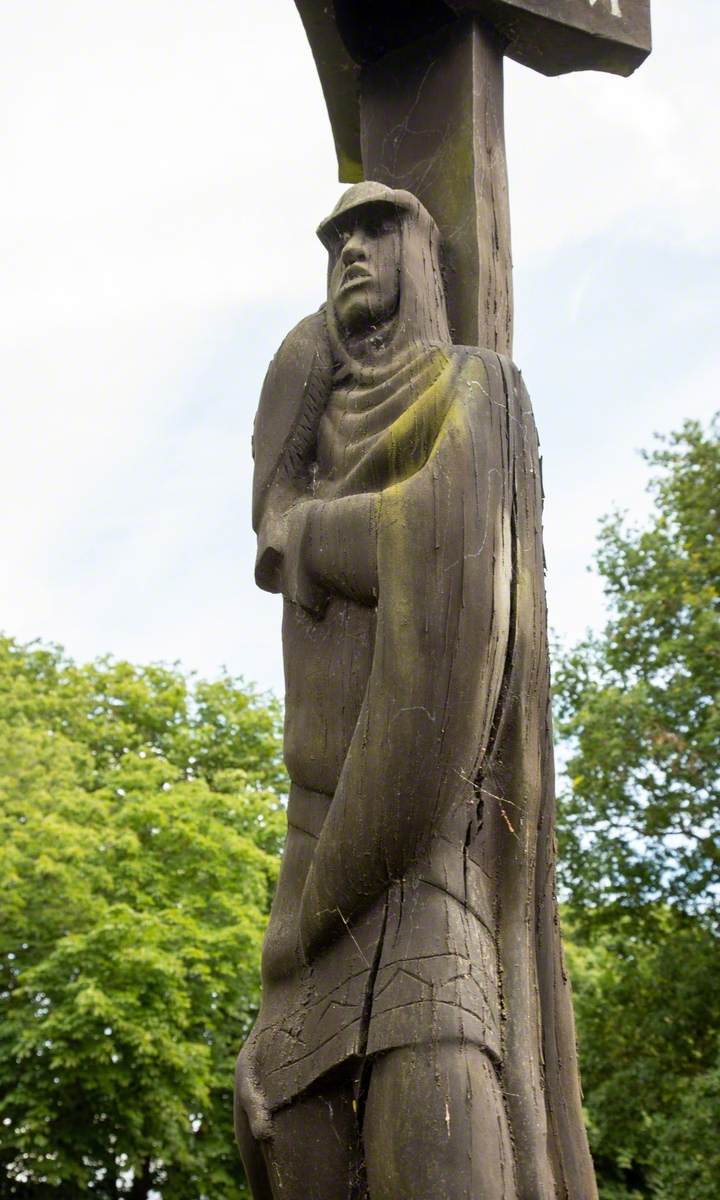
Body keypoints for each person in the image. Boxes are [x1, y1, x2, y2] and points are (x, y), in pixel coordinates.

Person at [235, 182, 596, 1200]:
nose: (350, 249)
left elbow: (444, 555)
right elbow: (274, 503)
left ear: (421, 253)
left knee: (437, 1133)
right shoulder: (315, 418)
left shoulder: (473, 389)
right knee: (287, 1144)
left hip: (424, 880)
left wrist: (308, 538)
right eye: (336, 237)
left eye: (377, 229)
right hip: (307, 876)